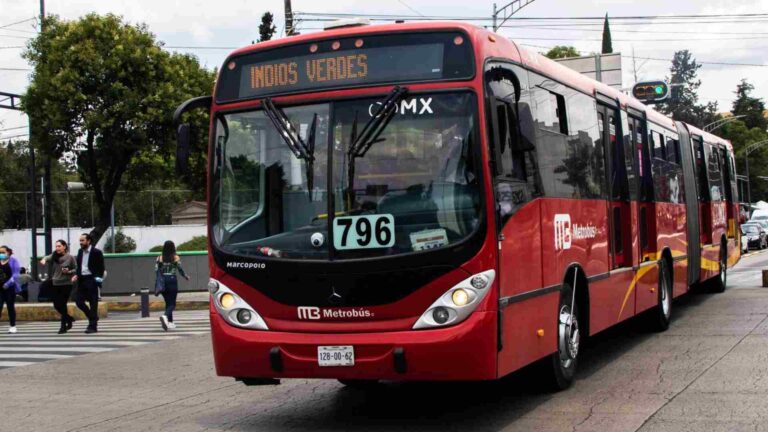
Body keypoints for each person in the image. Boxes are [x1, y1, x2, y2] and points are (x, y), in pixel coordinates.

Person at [40, 240, 77, 334]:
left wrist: (68, 272)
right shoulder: (54, 255)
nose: (57, 248)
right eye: (56, 246)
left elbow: (76, 269)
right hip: (55, 283)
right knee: (57, 305)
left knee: (63, 304)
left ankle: (63, 326)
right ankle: (69, 319)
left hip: (66, 284)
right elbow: (47, 257)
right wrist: (44, 260)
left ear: (64, 247)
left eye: (59, 246)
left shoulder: (70, 257)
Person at [72, 233, 105, 334]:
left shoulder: (96, 252)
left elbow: (101, 268)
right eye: (80, 241)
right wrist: (76, 275)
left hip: (91, 279)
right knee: (78, 301)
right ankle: (93, 317)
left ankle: (92, 326)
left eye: (82, 240)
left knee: (93, 303)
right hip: (82, 280)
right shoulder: (80, 252)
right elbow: (79, 266)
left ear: (88, 241)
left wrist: (97, 281)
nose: (81, 243)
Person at [156, 241, 189, 331]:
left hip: (162, 281)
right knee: (172, 304)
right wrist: (185, 276)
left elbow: (156, 270)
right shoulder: (175, 257)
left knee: (168, 302)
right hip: (172, 280)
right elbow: (180, 269)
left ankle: (170, 323)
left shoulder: (159, 258)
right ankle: (165, 316)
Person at [0, 245, 21, 334]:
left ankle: (12, 326)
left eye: (3, 252)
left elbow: (16, 275)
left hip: (10, 288)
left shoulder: (13, 261)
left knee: (10, 307)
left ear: (8, 252)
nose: (1, 254)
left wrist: (8, 284)